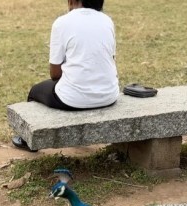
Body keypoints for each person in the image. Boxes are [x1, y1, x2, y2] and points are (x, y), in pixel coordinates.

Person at [12, 0, 119, 151]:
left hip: (72, 99)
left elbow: (55, 74)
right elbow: (109, 60)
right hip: (108, 95)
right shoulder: (107, 20)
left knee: (35, 92)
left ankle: (29, 141)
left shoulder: (62, 23)